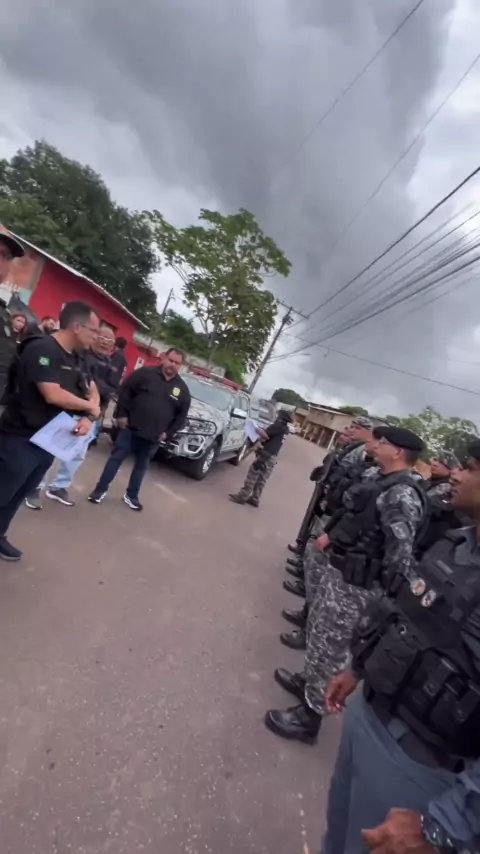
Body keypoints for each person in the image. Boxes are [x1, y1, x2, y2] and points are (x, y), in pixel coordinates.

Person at [320, 439, 480, 854]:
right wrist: (358, 668)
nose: (456, 474)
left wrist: (447, 825)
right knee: (335, 839)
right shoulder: (456, 545)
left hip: (421, 764)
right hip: (370, 713)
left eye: (471, 468)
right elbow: (405, 613)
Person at [265, 426, 426, 744]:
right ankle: (308, 684)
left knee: (333, 648)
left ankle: (309, 718)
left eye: (384, 442)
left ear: (398, 452)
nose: (376, 445)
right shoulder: (382, 479)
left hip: (360, 588)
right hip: (342, 576)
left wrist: (380, 601)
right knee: (320, 635)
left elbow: (399, 557)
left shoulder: (403, 495)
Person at [0, 301, 100, 560]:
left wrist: (89, 416)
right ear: (77, 327)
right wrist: (90, 407)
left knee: (19, 493)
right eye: (93, 331)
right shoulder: (41, 348)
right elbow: (52, 394)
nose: (96, 337)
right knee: (3, 491)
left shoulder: (77, 357)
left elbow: (92, 390)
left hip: (48, 441)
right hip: (20, 437)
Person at [25, 323, 117, 509]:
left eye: (110, 340)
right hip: (67, 411)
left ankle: (59, 487)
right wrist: (91, 398)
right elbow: (72, 385)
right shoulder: (80, 355)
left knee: (76, 455)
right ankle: (35, 487)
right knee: (48, 451)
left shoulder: (111, 363)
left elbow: (108, 388)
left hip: (91, 415)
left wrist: (92, 412)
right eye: (102, 337)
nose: (105, 342)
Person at [88, 347, 190, 511]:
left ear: (181, 366)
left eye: (177, 363)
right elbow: (125, 392)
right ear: (164, 358)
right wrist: (121, 415)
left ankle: (131, 496)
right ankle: (99, 490)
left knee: (141, 467)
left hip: (154, 437)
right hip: (131, 429)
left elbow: (181, 417)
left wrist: (167, 434)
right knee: (115, 459)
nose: (172, 364)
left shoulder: (182, 390)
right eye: (170, 360)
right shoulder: (144, 374)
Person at [229, 409, 292, 508]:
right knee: (262, 479)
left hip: (265, 455)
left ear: (280, 417)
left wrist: (257, 429)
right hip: (272, 457)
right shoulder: (285, 429)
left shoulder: (277, 426)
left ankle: (242, 496)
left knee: (253, 475)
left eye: (277, 416)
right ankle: (255, 498)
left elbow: (265, 435)